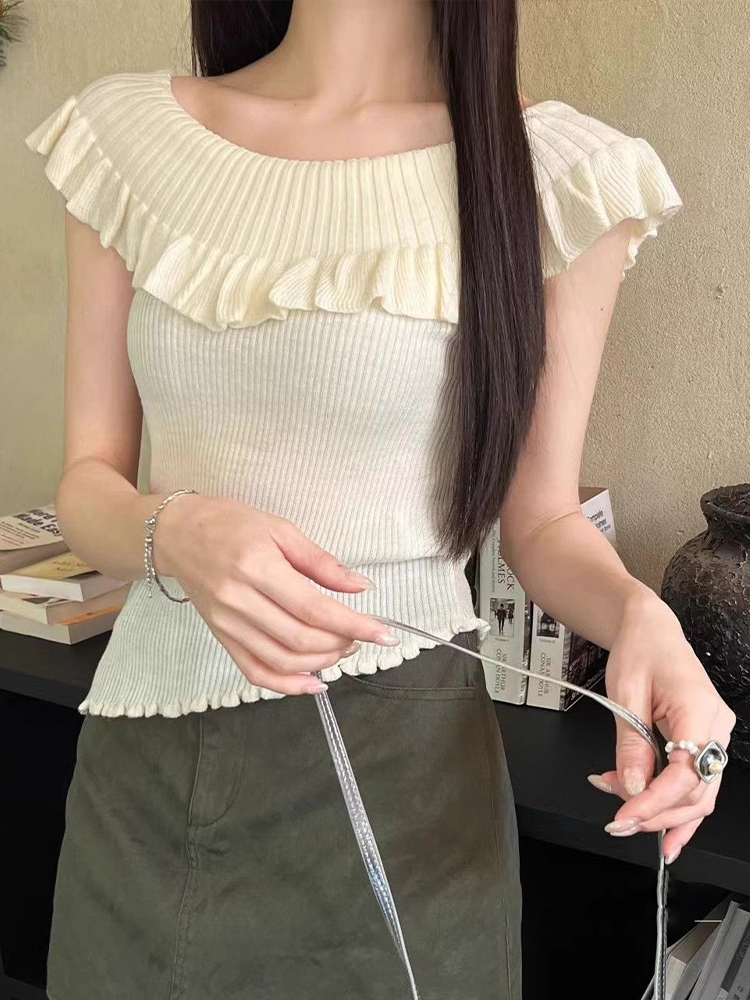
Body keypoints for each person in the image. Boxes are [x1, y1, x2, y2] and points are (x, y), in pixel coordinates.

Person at [24, 1, 736, 998]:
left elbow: (540, 523)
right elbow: (87, 484)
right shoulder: (125, 134)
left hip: (406, 764)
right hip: (146, 759)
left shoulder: (562, 173)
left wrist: (641, 618)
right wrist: (175, 529)